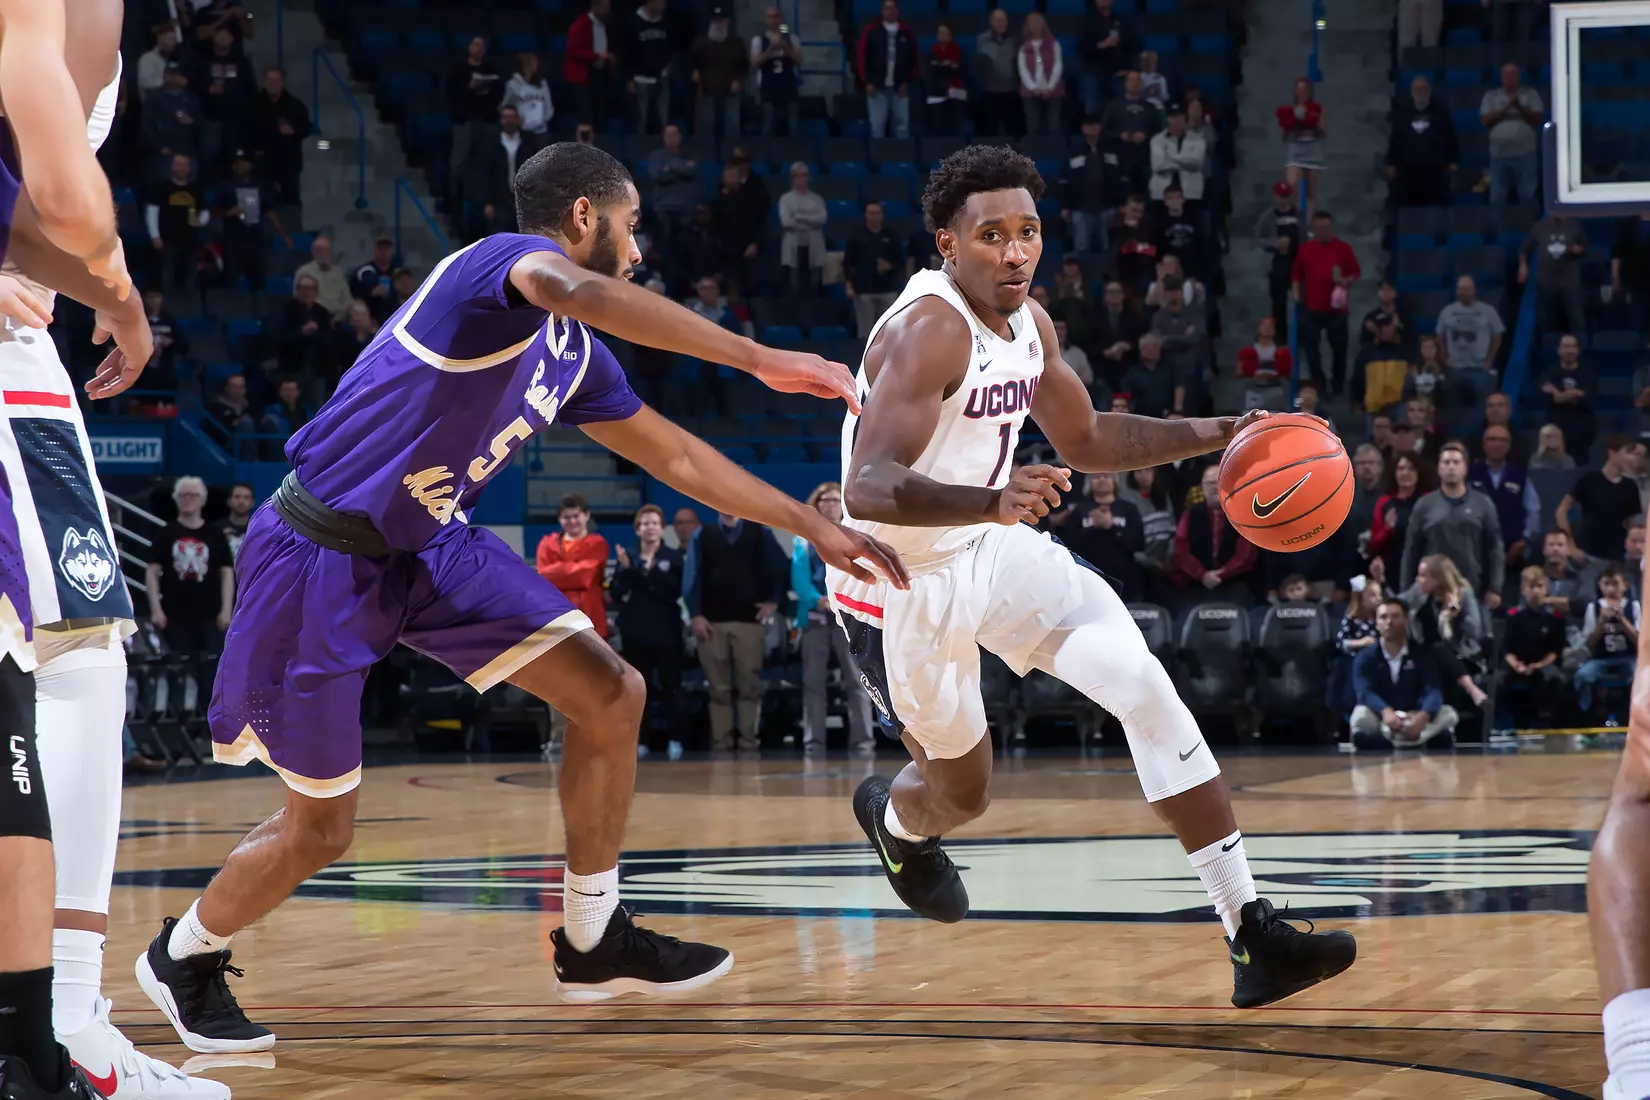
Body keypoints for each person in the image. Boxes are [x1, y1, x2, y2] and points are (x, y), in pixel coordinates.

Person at [132, 142, 907, 1050]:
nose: (640, 247)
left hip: (431, 545)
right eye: (631, 225)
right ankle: (183, 954)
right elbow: (579, 291)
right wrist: (752, 356)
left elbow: (679, 457)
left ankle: (592, 936)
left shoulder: (573, 357)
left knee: (614, 694)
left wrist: (814, 527)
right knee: (322, 832)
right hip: (321, 554)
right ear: (584, 216)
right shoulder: (493, 268)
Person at [834, 145, 1355, 1007]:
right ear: (946, 245)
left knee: (1143, 684)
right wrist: (995, 497)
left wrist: (1223, 431)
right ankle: (894, 822)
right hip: (896, 578)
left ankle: (1250, 931)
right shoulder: (928, 330)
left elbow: (1088, 442)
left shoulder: (1030, 324)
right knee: (962, 793)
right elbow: (869, 485)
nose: (1014, 252)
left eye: (1028, 232)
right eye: (991, 235)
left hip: (987, 546)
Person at [792, 483, 875, 757]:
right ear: (816, 504)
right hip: (816, 618)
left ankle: (863, 743)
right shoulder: (803, 539)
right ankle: (813, 744)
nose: (830, 504)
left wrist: (840, 600)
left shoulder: (855, 536)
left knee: (857, 682)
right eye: (825, 500)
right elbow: (799, 579)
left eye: (836, 500)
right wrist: (820, 600)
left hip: (848, 617)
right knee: (813, 684)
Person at [611, 504, 686, 757]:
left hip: (667, 631)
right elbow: (617, 592)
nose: (650, 527)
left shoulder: (675, 558)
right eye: (645, 523)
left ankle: (676, 738)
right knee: (640, 690)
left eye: (654, 523)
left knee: (671, 688)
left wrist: (651, 572)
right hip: (636, 632)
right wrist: (630, 570)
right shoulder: (628, 557)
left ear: (662, 528)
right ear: (637, 529)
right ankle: (641, 740)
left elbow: (676, 592)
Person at [1401, 443, 1504, 607]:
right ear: (1439, 468)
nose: (1451, 467)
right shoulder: (1424, 505)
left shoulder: (1483, 504)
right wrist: (1406, 589)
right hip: (1431, 592)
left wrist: (1495, 587)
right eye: (1446, 462)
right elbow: (1411, 550)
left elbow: (1495, 548)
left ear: (1465, 468)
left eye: (1456, 462)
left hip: (1472, 588)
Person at [1349, 598, 1459, 749]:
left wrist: (1423, 715)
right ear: (1376, 622)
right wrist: (1385, 711)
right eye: (1383, 617)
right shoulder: (1365, 657)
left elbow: (1433, 690)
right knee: (1360, 716)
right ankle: (1414, 740)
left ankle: (1398, 740)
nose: (1389, 621)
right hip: (1383, 717)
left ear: (1406, 620)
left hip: (1415, 715)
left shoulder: (1422, 653)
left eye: (1395, 616)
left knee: (1449, 714)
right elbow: (1364, 692)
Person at [1291, 210, 1359, 397]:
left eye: (1326, 227)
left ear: (1332, 227)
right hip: (1311, 307)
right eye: (1319, 228)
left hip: (1336, 309)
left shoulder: (1343, 248)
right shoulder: (1306, 249)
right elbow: (1296, 274)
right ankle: (1318, 383)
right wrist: (1297, 295)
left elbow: (1355, 273)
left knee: (1339, 348)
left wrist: (1346, 281)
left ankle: (1337, 385)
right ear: (1314, 228)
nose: (1323, 231)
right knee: (1311, 349)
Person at [1558, 436, 1647, 562]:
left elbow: (1633, 524)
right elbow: (1561, 511)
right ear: (1612, 453)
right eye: (1627, 453)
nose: (1631, 458)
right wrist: (1570, 545)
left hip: (1618, 556)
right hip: (1587, 553)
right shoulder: (1589, 479)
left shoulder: (1630, 487)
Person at [536, 493, 611, 640]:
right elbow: (543, 577)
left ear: (586, 515)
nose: (572, 521)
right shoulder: (546, 544)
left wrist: (557, 571)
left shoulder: (598, 544)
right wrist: (576, 570)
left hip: (591, 618)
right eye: (566, 517)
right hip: (556, 619)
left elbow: (585, 577)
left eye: (576, 516)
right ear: (559, 519)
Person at [1500, 566, 1567, 730]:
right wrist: (1517, 665)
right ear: (1523, 590)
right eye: (1531, 587)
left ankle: (1546, 722)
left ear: (1546, 589)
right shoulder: (1514, 615)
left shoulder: (1555, 617)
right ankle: (1503, 726)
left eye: (1539, 586)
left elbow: (1555, 651)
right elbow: (1507, 649)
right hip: (1518, 664)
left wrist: (1539, 665)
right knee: (1498, 682)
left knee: (1553, 678)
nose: (1536, 591)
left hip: (1544, 665)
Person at [1469, 423, 1539, 568]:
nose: (1497, 444)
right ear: (1483, 445)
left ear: (1509, 445)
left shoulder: (1520, 475)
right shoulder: (1470, 474)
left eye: (1502, 440)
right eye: (1492, 439)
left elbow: (1533, 511)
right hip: (1476, 549)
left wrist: (1523, 541)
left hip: (1514, 551)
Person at [1577, 564, 1639, 716]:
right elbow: (1589, 644)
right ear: (1600, 585)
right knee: (1582, 675)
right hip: (1601, 659)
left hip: (1628, 657)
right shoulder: (1593, 607)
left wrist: (1622, 620)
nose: (1611, 589)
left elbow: (1640, 642)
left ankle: (1632, 715)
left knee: (1639, 677)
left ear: (1625, 585)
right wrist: (1601, 622)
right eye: (1606, 584)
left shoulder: (1634, 606)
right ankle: (1587, 714)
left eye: (1615, 584)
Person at [1480, 62, 1543, 207]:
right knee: (1497, 196)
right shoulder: (1491, 96)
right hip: (1499, 154)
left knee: (1528, 194)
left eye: (1513, 75)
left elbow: (1537, 118)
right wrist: (1507, 109)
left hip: (1525, 153)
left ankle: (1530, 225)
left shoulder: (1531, 94)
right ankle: (1499, 227)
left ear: (1518, 77)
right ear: (1501, 77)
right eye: (1506, 76)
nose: (1509, 79)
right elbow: (1485, 120)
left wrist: (1519, 107)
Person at [1386, 76, 1456, 205]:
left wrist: (1453, 160)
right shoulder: (1402, 112)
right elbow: (1395, 139)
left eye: (1423, 88)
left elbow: (1450, 137)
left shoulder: (1441, 111)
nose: (1420, 91)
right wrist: (1391, 163)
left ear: (1429, 90)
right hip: (1408, 169)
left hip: (1434, 169)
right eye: (1417, 88)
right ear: (1412, 91)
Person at [1520, 211, 1588, 338]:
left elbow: (1585, 250)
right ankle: (1549, 349)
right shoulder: (1538, 227)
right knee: (1547, 319)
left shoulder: (1575, 226)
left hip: (1569, 281)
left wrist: (1576, 250)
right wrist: (1523, 266)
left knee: (1576, 318)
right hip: (1546, 280)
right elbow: (1524, 249)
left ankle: (1581, 348)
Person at [1370, 452, 1433, 586]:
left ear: (1418, 472)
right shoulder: (1384, 502)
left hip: (1423, 567)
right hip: (1392, 569)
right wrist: (1387, 529)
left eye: (1411, 468)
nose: (1405, 473)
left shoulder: (1428, 501)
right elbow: (1374, 543)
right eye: (1401, 468)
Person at [857, 0, 915, 140]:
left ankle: (901, 159)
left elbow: (913, 59)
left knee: (902, 127)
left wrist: (907, 82)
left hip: (899, 88)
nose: (890, 11)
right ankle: (879, 159)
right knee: (877, 127)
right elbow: (861, 57)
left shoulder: (907, 32)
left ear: (897, 10)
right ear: (882, 11)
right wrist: (867, 81)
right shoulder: (871, 31)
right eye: (887, 8)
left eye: (892, 8)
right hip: (877, 88)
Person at [845, 201, 904, 338]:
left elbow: (901, 261)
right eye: (871, 213)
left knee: (889, 331)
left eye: (877, 213)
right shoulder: (856, 236)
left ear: (882, 215)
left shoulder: (891, 236)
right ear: (866, 215)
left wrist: (890, 266)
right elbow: (848, 263)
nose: (874, 216)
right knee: (866, 332)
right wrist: (849, 284)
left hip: (887, 289)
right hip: (864, 290)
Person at [690, 5, 746, 140]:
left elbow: (744, 66)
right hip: (707, 91)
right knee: (707, 127)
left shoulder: (736, 42)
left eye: (721, 21)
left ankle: (733, 157)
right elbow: (692, 62)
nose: (718, 24)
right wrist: (694, 71)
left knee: (732, 127)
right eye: (715, 21)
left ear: (727, 22)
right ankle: (706, 157)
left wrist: (738, 80)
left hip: (731, 92)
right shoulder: (700, 43)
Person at [1254, 180, 1301, 328]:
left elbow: (1304, 236)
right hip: (1277, 263)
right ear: (1275, 196)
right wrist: (1275, 243)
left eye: (1286, 196)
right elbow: (1258, 238)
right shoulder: (1267, 216)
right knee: (1278, 303)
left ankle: (1300, 335)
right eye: (1280, 196)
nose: (1283, 199)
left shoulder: (1298, 213)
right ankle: (1280, 337)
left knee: (1301, 300)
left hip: (1296, 261)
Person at [750, 6, 802, 136]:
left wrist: (787, 49)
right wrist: (769, 50)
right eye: (770, 17)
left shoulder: (792, 38)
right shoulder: (758, 40)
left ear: (780, 19)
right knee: (768, 123)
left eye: (776, 16)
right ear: (765, 20)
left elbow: (799, 61)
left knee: (792, 124)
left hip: (788, 86)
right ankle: (767, 154)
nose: (773, 20)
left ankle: (793, 153)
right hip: (768, 88)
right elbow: (754, 63)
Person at [565, 0, 617, 130]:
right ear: (595, 7)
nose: (607, 11)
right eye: (605, 7)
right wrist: (596, 56)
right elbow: (573, 50)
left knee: (600, 114)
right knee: (586, 115)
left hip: (601, 74)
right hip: (583, 76)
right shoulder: (580, 24)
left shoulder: (608, 24)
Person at [1277, 77, 1325, 215]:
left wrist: (1311, 122)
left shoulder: (1317, 109)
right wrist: (1292, 126)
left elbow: (1323, 132)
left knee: (1311, 192)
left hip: (1312, 149)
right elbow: (1284, 137)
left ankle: (1308, 225)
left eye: (1305, 89)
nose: (1302, 92)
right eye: (1299, 89)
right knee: (1291, 186)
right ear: (1295, 92)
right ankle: (1292, 218)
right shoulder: (1289, 110)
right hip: (1296, 149)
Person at [778, 162, 827, 296]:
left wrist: (799, 216)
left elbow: (822, 219)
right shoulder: (785, 199)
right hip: (794, 245)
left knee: (814, 285)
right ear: (792, 178)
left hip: (813, 245)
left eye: (804, 175)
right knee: (794, 286)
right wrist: (811, 220)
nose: (801, 179)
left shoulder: (816, 199)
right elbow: (786, 222)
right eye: (797, 176)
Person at [974, 9, 1022, 139]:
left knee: (1014, 132)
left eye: (1003, 20)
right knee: (989, 132)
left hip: (1011, 90)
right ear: (991, 22)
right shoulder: (981, 40)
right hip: (990, 91)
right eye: (997, 20)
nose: (1001, 23)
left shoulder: (1015, 40)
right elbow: (979, 66)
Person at [1016, 13, 1062, 136]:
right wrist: (1033, 88)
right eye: (1032, 24)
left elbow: (1058, 66)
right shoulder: (1024, 48)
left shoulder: (1054, 44)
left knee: (1053, 124)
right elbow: (1023, 69)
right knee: (1032, 124)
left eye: (1038, 23)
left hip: (1053, 90)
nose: (1035, 26)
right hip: (1030, 92)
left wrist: (1050, 88)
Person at [1237, 316, 1291, 413]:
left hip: (1274, 391)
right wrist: (1252, 374)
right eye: (1264, 325)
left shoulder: (1281, 352)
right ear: (1258, 329)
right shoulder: (1248, 352)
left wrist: (1278, 374)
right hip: (1254, 391)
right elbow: (1238, 373)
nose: (1267, 328)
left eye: (1270, 326)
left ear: (1275, 330)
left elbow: (1289, 375)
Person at [924, 22, 967, 136]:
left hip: (956, 95)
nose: (943, 36)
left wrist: (941, 66)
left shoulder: (958, 52)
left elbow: (960, 71)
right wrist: (948, 66)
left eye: (946, 33)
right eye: (940, 33)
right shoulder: (932, 52)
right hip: (937, 95)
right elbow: (931, 73)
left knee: (956, 128)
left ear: (951, 35)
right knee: (938, 129)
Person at [503, 52, 553, 136]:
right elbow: (506, 107)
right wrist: (516, 120)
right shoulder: (512, 85)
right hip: (521, 132)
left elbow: (549, 108)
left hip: (541, 131)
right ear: (525, 63)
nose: (537, 64)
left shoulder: (543, 84)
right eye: (534, 61)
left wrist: (539, 120)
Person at [219, 483, 255, 563]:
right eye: (237, 497)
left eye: (246, 497)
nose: (241, 501)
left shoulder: (258, 529)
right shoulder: (217, 529)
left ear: (252, 502)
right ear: (229, 501)